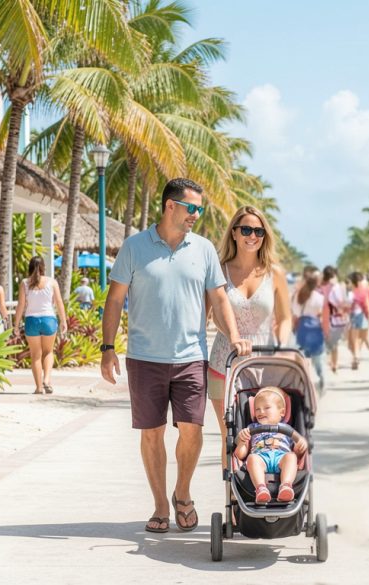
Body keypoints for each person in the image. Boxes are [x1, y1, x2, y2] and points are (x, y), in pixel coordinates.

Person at [100, 178, 250, 534]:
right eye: (192, 208)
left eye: (200, 209)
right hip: (144, 358)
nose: (196, 215)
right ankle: (160, 506)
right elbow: (115, 299)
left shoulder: (204, 249)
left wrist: (235, 336)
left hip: (190, 357)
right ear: (171, 206)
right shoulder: (135, 247)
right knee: (152, 433)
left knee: (192, 430)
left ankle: (182, 493)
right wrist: (107, 349)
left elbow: (219, 299)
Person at [208, 206, 293, 469]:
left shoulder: (274, 273)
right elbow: (210, 314)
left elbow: (285, 317)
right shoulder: (218, 270)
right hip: (225, 361)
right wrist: (232, 336)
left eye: (258, 231)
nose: (252, 236)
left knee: (269, 434)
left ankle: (265, 485)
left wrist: (282, 346)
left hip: (266, 365)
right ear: (234, 233)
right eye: (246, 229)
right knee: (230, 436)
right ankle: (232, 494)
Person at [234, 387, 309, 503]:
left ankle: (286, 486)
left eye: (267, 408)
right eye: (257, 409)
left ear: (282, 412)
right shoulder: (251, 428)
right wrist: (242, 441)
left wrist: (301, 446)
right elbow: (240, 455)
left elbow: (298, 450)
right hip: (260, 457)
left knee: (291, 457)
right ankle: (261, 488)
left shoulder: (287, 428)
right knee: (251, 458)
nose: (261, 412)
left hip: (281, 457)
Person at [14, 256, 68, 395]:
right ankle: (47, 380)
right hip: (48, 320)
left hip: (31, 321)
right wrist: (63, 321)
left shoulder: (24, 283)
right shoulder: (52, 282)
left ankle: (38, 388)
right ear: (44, 267)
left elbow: (21, 305)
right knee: (48, 352)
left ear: (30, 267)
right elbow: (59, 302)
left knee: (35, 355)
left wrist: (16, 325)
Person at [293, 266, 331, 391]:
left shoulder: (299, 296)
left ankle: (306, 381)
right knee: (318, 356)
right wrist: (326, 332)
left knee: (304, 357)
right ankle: (321, 377)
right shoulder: (319, 297)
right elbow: (323, 316)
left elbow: (295, 313)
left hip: (302, 330)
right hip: (315, 329)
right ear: (316, 284)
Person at [320, 266, 351, 374]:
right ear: (334, 275)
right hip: (333, 318)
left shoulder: (320, 287)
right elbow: (339, 301)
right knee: (334, 343)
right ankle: (334, 364)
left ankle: (330, 362)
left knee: (328, 341)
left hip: (322, 317)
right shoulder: (335, 287)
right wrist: (347, 307)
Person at [347, 272, 369, 369]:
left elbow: (348, 308)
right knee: (360, 339)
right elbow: (368, 307)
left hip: (355, 317)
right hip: (364, 317)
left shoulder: (351, 294)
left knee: (354, 340)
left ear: (353, 282)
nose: (348, 284)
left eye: (349, 282)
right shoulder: (364, 292)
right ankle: (357, 356)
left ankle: (356, 357)